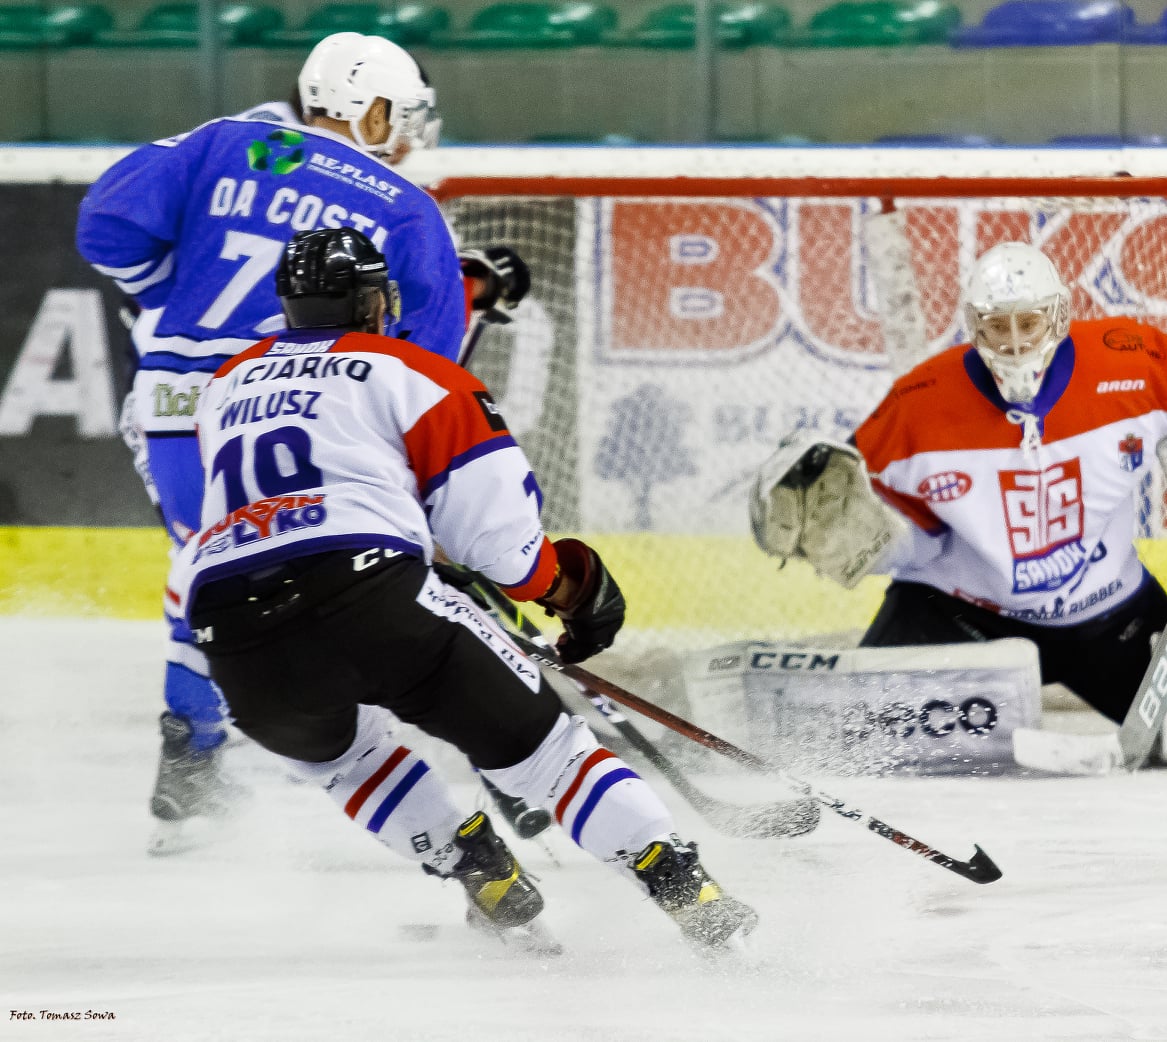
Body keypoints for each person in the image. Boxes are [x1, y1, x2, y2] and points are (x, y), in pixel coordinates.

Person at [165, 227, 758, 951]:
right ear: (370, 300)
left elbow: (279, 507)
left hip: (232, 629)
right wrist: (567, 591)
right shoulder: (412, 370)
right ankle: (676, 881)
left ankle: (473, 861)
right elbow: (499, 544)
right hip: (369, 595)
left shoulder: (225, 386)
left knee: (346, 760)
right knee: (548, 756)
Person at [75, 32, 519, 853]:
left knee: (212, 557)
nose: (413, 136)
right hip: (301, 411)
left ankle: (194, 748)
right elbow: (422, 367)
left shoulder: (224, 140)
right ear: (373, 109)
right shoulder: (398, 203)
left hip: (177, 400)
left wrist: (171, 296)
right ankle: (470, 753)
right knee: (347, 578)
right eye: (406, 116)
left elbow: (104, 224)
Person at [751, 241, 1167, 732]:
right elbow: (909, 536)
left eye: (1027, 322)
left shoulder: (1130, 363)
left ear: (1057, 317)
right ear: (972, 325)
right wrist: (862, 540)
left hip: (1111, 616)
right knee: (867, 734)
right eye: (995, 326)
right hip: (961, 614)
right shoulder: (917, 406)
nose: (1013, 341)